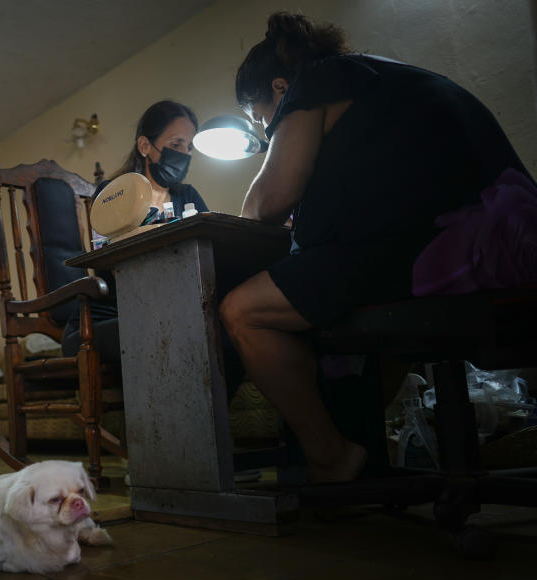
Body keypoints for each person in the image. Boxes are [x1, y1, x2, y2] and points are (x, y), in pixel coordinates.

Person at [218, 12, 532, 482]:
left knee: (243, 310)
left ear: (281, 90)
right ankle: (366, 453)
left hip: (441, 249)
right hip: (510, 245)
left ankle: (332, 458)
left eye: (265, 121)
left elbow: (266, 204)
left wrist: (275, 158)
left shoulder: (318, 82)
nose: (268, 134)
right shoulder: (384, 81)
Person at [61, 100, 210, 361]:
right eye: (176, 144)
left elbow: (206, 253)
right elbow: (107, 266)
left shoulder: (188, 196)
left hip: (166, 313)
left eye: (189, 147)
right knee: (170, 331)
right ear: (145, 146)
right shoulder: (113, 194)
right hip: (103, 322)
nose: (184, 154)